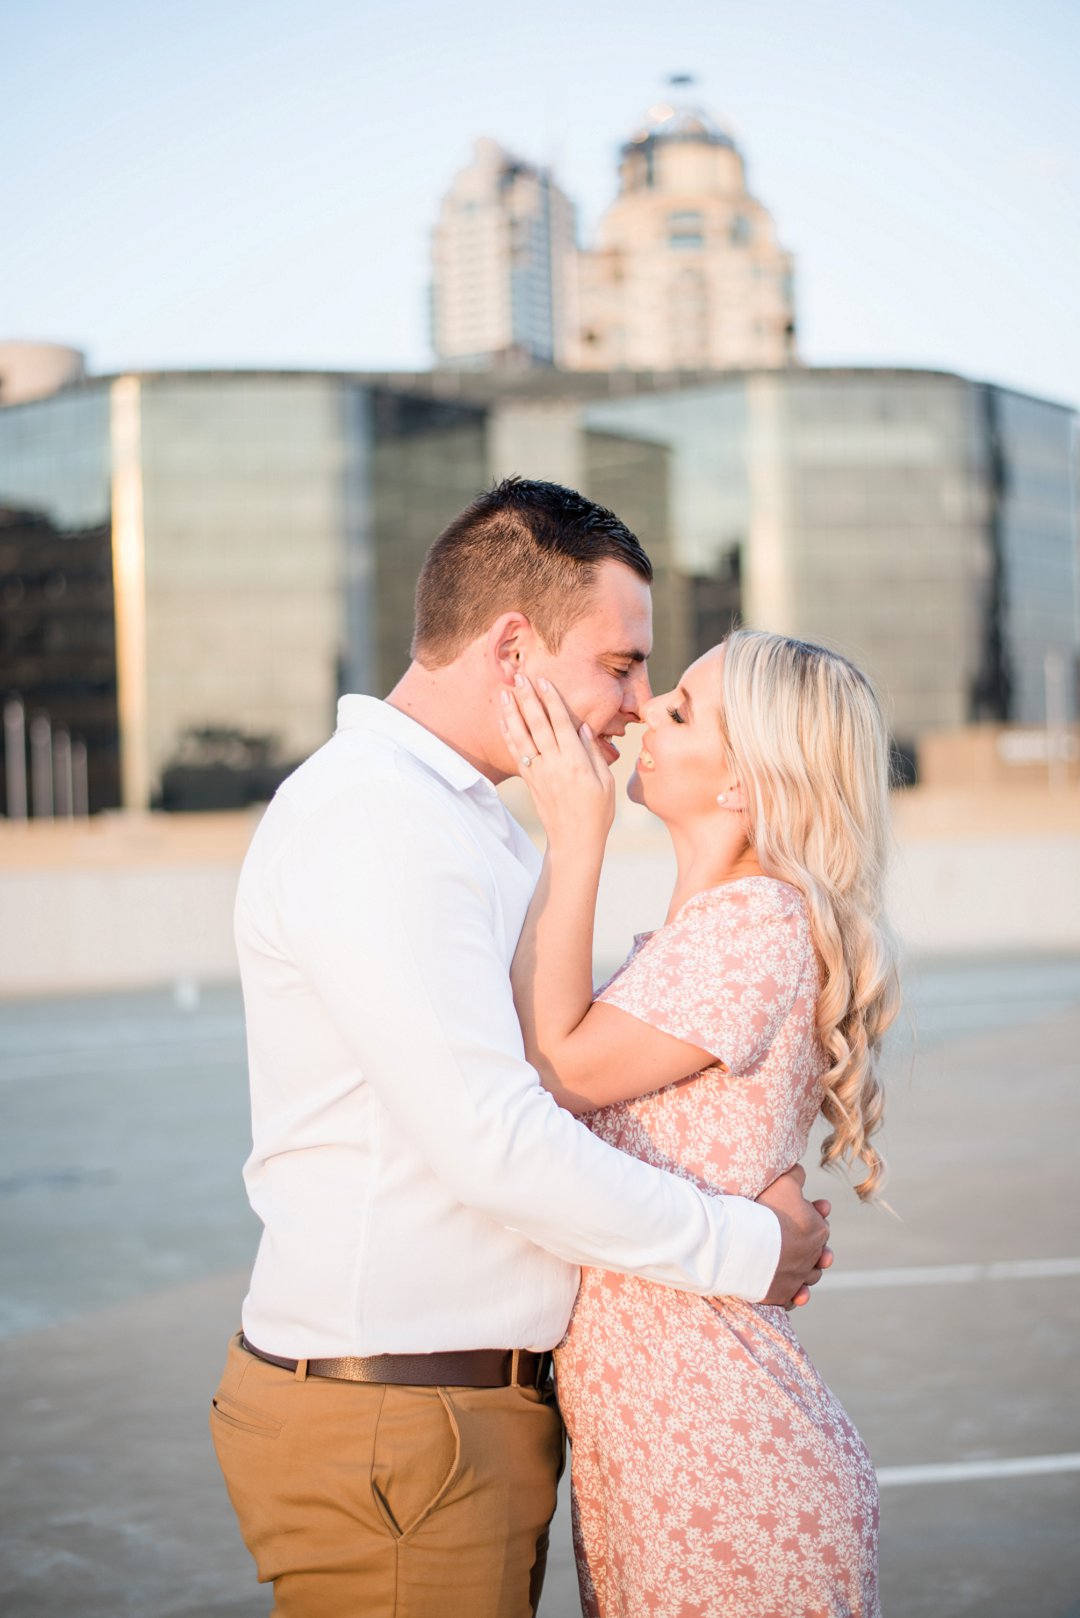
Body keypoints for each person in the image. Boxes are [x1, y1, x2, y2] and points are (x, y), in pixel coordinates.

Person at [210, 480, 831, 1618]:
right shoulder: (379, 822)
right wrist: (748, 1243)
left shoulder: (468, 819)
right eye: (620, 665)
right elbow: (496, 1139)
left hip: (455, 1418)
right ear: (511, 647)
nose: (635, 704)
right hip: (402, 1422)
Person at [503, 629, 901, 1618]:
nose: (645, 709)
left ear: (743, 782)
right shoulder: (711, 933)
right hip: (674, 1458)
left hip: (724, 1468)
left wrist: (576, 830)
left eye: (680, 710)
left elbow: (555, 1068)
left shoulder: (753, 925)